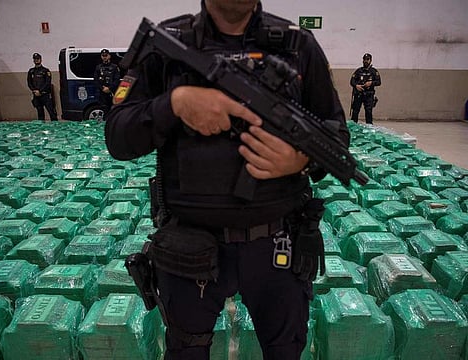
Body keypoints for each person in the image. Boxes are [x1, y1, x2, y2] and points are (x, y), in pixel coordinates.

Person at [105, 1, 349, 359]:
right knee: (186, 351)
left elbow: (337, 135)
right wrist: (174, 104)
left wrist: (301, 159)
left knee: (285, 350)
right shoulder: (167, 44)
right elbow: (117, 136)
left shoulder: (299, 46)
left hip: (278, 244)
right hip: (188, 247)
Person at [349, 53, 381, 124]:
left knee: (368, 112)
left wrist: (371, 83)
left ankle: (369, 128)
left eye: (367, 59)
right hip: (359, 94)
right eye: (364, 59)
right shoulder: (359, 71)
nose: (365, 61)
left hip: (369, 95)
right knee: (355, 111)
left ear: (370, 60)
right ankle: (353, 127)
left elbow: (379, 82)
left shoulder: (374, 71)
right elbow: (352, 81)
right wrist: (356, 86)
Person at [27, 53, 58, 121]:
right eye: (35, 59)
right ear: (33, 60)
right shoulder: (31, 71)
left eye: (38, 59)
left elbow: (48, 83)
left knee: (52, 112)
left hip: (45, 95)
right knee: (40, 113)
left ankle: (56, 127)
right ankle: (42, 128)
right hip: (36, 96)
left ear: (41, 60)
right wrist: (34, 91)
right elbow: (29, 83)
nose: (36, 60)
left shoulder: (46, 71)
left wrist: (40, 91)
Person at [94, 49, 120, 119]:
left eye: (106, 55)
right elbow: (96, 80)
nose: (104, 57)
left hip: (112, 92)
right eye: (103, 56)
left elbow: (117, 80)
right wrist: (103, 88)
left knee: (113, 110)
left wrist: (109, 88)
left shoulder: (114, 67)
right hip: (102, 93)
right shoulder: (98, 67)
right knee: (104, 111)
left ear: (109, 56)